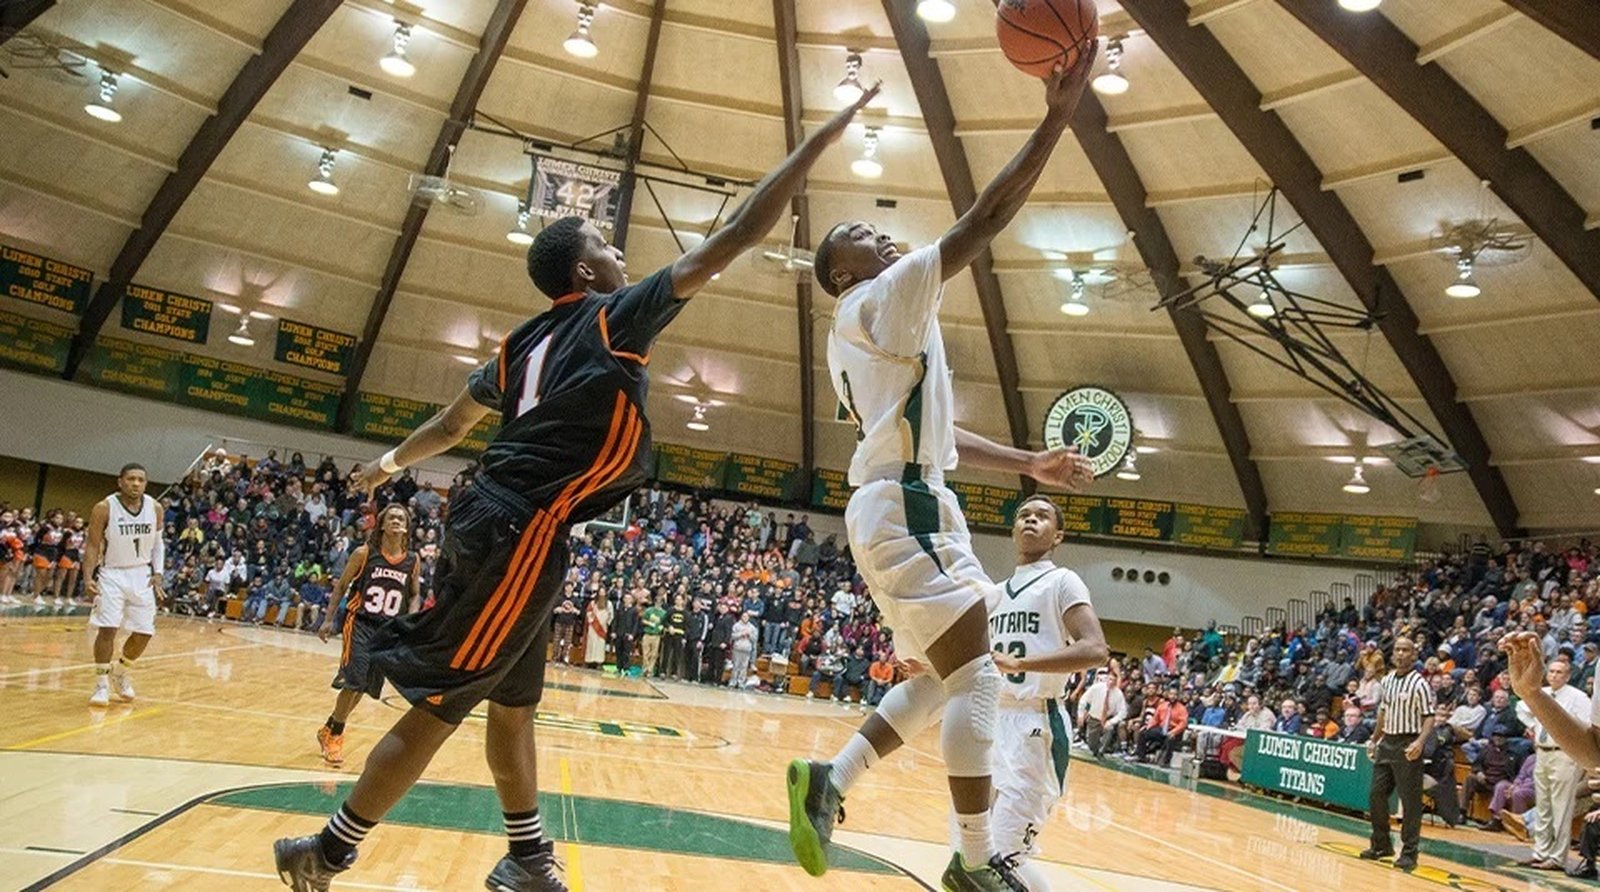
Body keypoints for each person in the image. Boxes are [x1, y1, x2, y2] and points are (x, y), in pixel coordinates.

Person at [271, 82, 883, 892]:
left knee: (514, 704)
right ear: (587, 268)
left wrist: (387, 465)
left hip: (504, 518)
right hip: (519, 525)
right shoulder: (612, 314)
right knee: (443, 705)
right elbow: (735, 235)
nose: (623, 254)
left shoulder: (521, 341)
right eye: (609, 244)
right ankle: (331, 849)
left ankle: (528, 858)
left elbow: (451, 427)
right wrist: (820, 140)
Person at [786, 48, 1098, 892]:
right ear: (844, 274)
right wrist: (1055, 120)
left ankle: (832, 780)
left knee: (937, 676)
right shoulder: (875, 299)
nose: (884, 238)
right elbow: (985, 219)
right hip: (906, 507)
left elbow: (942, 431)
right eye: (863, 239)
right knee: (981, 678)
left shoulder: (875, 333)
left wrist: (1027, 459)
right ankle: (971, 860)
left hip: (918, 499)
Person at [314, 504, 421, 767]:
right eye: (391, 517)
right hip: (359, 622)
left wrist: (410, 621)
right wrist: (328, 620)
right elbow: (340, 586)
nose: (396, 521)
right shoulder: (364, 553)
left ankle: (328, 727)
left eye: (401, 518)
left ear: (406, 526)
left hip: (388, 630)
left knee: (363, 687)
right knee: (353, 680)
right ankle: (336, 736)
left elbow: (415, 593)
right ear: (382, 525)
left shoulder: (412, 560)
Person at [83, 464, 163, 706]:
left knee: (144, 633)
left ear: (146, 484)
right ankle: (100, 685)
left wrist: (158, 572)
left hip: (142, 574)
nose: (136, 484)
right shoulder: (104, 507)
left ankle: (119, 672)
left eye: (140, 480)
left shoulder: (155, 507)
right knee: (108, 629)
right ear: (120, 482)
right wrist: (88, 577)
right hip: (113, 574)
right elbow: (93, 545)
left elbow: (159, 544)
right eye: (131, 479)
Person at [1362, 636, 1433, 873]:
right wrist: (1374, 739)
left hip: (1408, 742)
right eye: (1397, 649)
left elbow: (1429, 716)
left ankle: (1410, 853)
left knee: (1410, 802)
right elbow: (1383, 711)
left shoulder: (1419, 683)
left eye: (1406, 650)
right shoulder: (1389, 679)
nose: (1401, 653)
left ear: (1413, 654)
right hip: (1387, 742)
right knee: (1376, 794)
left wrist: (1420, 743)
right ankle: (1381, 844)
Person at [1515, 657, 1589, 871]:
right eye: (1552, 671)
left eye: (1560, 672)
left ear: (1567, 676)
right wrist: (1534, 725)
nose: (1555, 675)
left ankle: (1557, 857)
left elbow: (1587, 725)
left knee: (1561, 807)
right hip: (1542, 752)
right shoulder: (1541, 693)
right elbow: (1521, 708)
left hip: (1564, 754)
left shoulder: (1578, 697)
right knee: (1544, 805)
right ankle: (1540, 852)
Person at [1460, 725, 1519, 830]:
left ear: (1506, 738)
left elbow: (1517, 772)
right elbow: (1476, 764)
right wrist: (1479, 772)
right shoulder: (1486, 749)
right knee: (1470, 778)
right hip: (1486, 780)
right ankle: (1462, 812)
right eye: (1496, 735)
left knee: (1501, 786)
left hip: (1501, 782)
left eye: (1501, 736)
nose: (1498, 738)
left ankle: (1495, 821)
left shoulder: (1514, 753)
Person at [1078, 664, 1127, 759]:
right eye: (1110, 679)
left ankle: (1101, 752)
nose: (1111, 682)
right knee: (1091, 742)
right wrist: (1080, 714)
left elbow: (1123, 712)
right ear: (1107, 678)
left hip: (1108, 719)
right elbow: (1084, 700)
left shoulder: (1118, 694)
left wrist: (1111, 721)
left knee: (1109, 729)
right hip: (1094, 717)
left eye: (1113, 680)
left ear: (1116, 681)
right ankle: (1095, 750)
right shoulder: (1096, 688)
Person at [584, 596, 612, 669]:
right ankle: (589, 661)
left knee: (600, 644)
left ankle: (599, 662)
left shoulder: (609, 604)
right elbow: (588, 613)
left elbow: (611, 615)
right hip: (593, 626)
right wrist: (592, 618)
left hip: (602, 627)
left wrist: (606, 622)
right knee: (591, 643)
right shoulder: (593, 603)